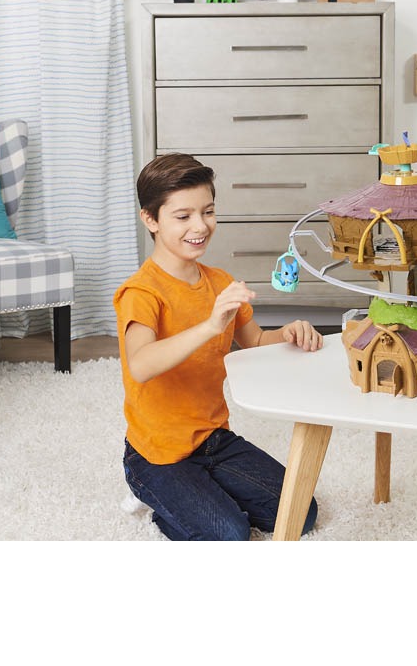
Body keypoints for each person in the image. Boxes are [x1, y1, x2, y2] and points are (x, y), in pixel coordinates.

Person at [113, 152, 324, 541]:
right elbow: (140, 365)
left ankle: (201, 494)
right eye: (183, 216)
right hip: (157, 456)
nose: (200, 226)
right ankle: (154, 498)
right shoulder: (141, 292)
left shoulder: (220, 282)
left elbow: (255, 341)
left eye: (208, 212)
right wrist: (210, 326)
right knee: (230, 535)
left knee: (301, 512)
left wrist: (289, 333)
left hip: (214, 440)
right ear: (151, 219)